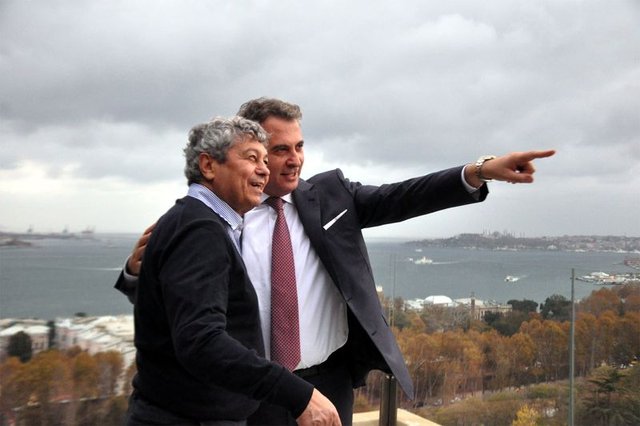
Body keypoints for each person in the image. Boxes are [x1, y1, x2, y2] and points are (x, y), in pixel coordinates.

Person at [116, 98, 555, 425]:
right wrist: (137, 271)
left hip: (327, 382)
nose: (293, 160)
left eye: (299, 146)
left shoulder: (330, 197)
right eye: (276, 150)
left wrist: (478, 171)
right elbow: (187, 312)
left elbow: (401, 196)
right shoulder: (219, 218)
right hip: (251, 389)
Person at [125, 115, 341, 426]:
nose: (264, 170)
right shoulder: (200, 230)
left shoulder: (200, 222)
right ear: (208, 166)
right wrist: (298, 395)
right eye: (252, 158)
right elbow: (201, 341)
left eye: (265, 160)